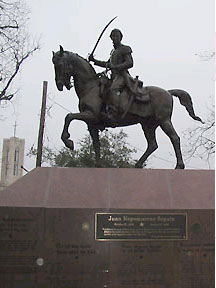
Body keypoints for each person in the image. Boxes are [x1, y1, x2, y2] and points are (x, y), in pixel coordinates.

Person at [89, 28, 138, 122]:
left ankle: (113, 113)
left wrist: (115, 67)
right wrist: (94, 61)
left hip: (122, 76)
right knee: (102, 90)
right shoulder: (113, 52)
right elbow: (107, 64)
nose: (114, 38)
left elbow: (130, 63)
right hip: (113, 77)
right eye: (113, 36)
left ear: (120, 38)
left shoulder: (125, 49)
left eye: (116, 36)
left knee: (113, 89)